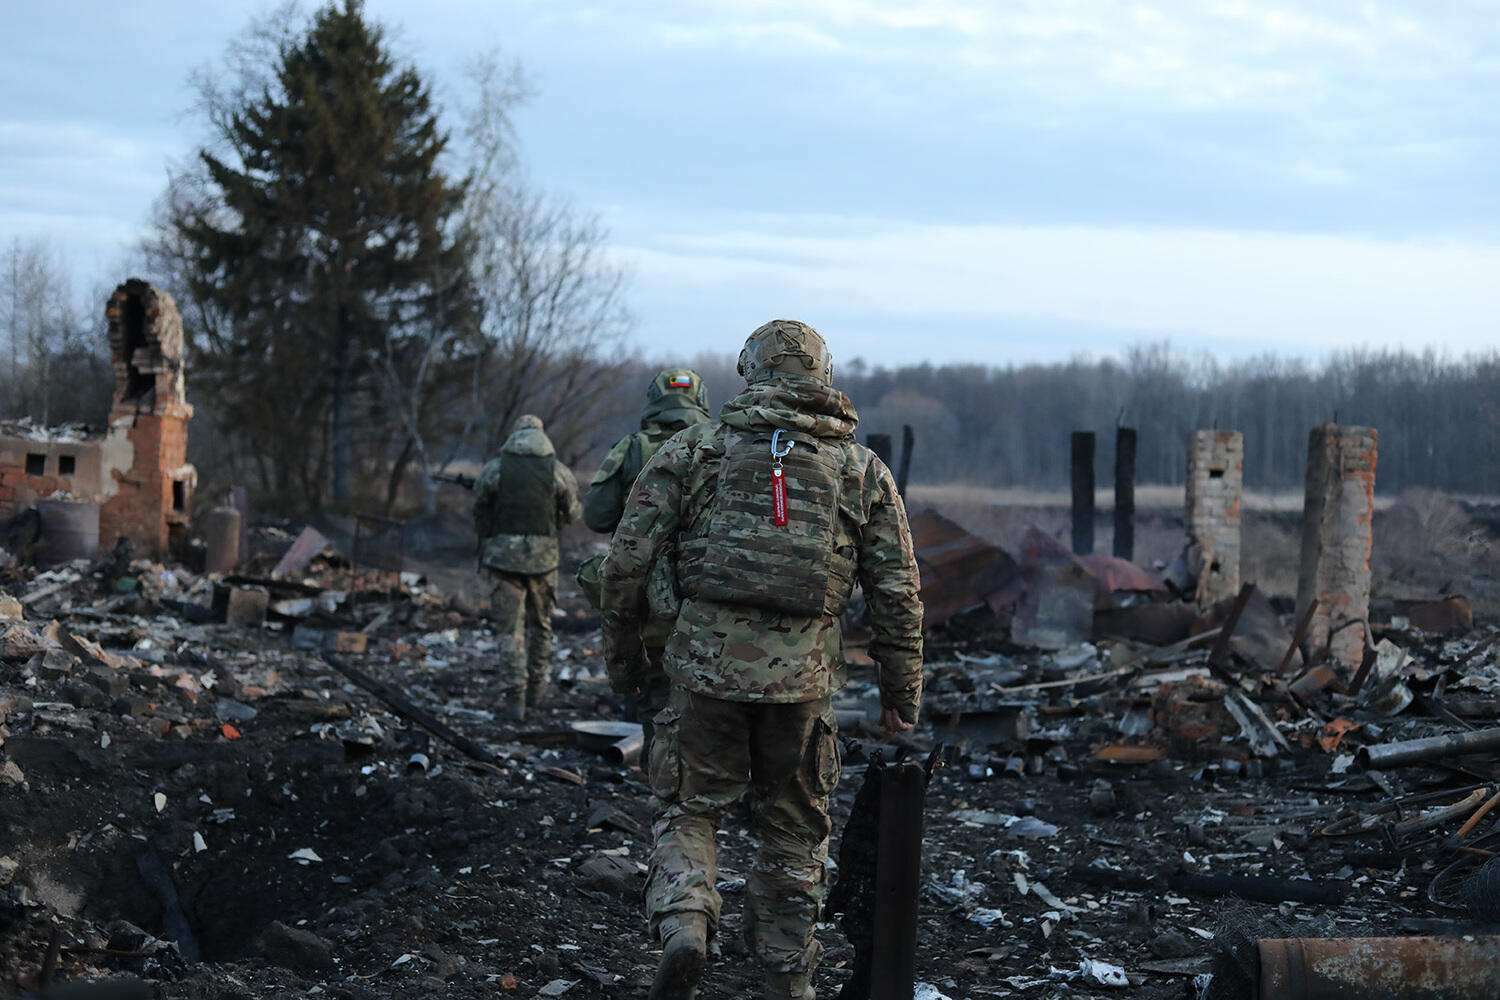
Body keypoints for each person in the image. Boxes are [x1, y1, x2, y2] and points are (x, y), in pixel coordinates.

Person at [600, 321, 924, 1000]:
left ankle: (686, 922)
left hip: (703, 673)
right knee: (795, 830)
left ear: (749, 372)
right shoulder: (861, 468)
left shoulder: (696, 449)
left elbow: (625, 564)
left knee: (689, 809)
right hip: (803, 685)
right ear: (823, 377)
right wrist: (902, 692)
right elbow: (897, 592)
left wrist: (627, 661)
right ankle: (787, 980)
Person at [582, 368, 711, 757]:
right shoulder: (725, 446)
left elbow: (597, 517)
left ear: (654, 401)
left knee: (657, 705)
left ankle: (661, 779)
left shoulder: (633, 448)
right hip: (712, 599)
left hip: (650, 599)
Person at [472, 414, 581, 722]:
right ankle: (537, 691)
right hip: (544, 562)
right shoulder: (558, 470)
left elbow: (479, 506)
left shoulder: (496, 468)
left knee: (510, 631)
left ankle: (514, 700)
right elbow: (574, 514)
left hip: (503, 560)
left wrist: (491, 532)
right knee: (541, 626)